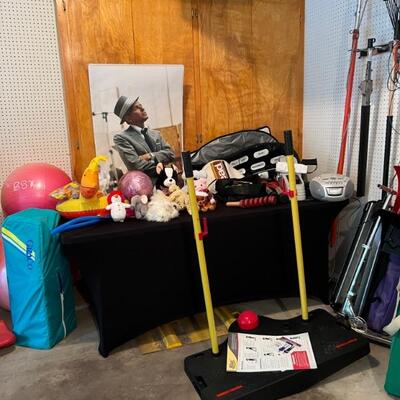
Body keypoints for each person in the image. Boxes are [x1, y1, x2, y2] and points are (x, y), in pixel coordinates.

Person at [113, 95, 175, 181]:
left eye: (141, 105)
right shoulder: (121, 138)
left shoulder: (156, 134)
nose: (142, 108)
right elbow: (135, 166)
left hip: (169, 182)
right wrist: (163, 166)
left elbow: (171, 153)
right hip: (146, 185)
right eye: (137, 108)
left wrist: (150, 156)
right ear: (128, 118)